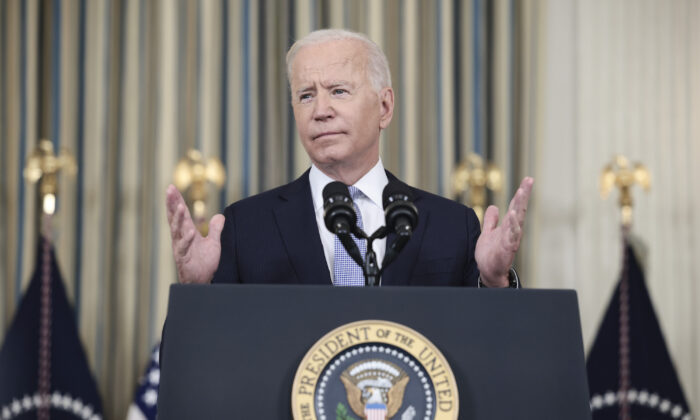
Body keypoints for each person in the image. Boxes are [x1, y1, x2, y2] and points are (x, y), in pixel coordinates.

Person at [166, 29, 533, 288]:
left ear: (384, 107)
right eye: (306, 95)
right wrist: (196, 293)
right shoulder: (247, 227)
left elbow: (494, 357)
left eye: (338, 91)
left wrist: (494, 282)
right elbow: (201, 370)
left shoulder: (451, 226)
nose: (320, 110)